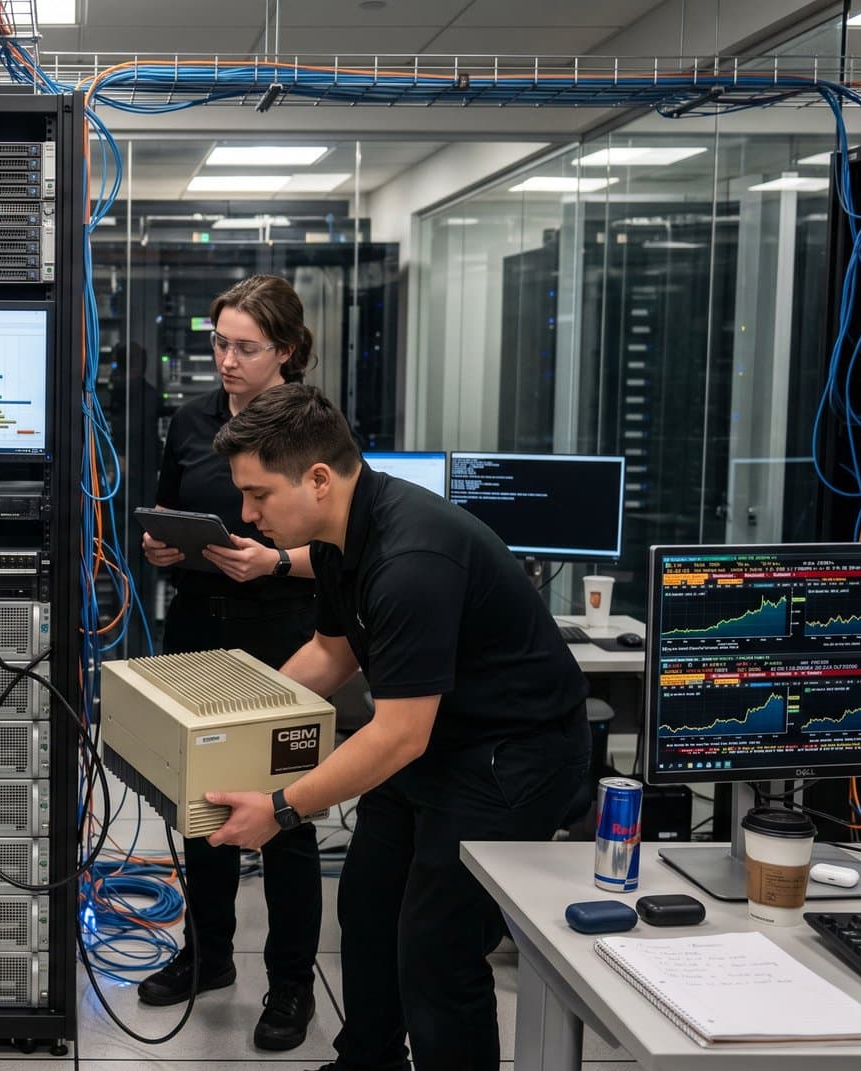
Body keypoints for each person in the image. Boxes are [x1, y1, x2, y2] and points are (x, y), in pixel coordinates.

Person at [201, 384, 590, 1071]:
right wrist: (234, 720)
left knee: (436, 946)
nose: (246, 512)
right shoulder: (336, 537)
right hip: (439, 739)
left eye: (258, 493)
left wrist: (283, 807)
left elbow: (400, 733)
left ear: (318, 478)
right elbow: (332, 651)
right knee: (368, 907)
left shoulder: (410, 560)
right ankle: (369, 1063)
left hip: (513, 756)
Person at [134, 275, 323, 1052]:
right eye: (219, 343)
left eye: (245, 346)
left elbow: (344, 549)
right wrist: (158, 547)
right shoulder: (192, 419)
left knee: (285, 814)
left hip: (282, 639)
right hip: (197, 630)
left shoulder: (315, 427)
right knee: (203, 807)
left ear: (284, 349)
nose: (227, 360)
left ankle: (290, 985)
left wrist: (275, 563)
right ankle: (209, 955)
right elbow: (168, 506)